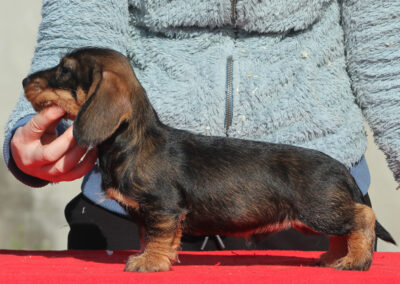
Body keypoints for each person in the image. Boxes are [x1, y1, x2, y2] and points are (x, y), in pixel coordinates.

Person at [4, 1, 400, 251]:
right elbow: (80, 37)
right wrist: (31, 133)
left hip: (298, 187)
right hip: (127, 213)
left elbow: (386, 58)